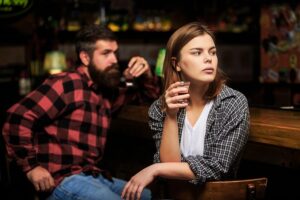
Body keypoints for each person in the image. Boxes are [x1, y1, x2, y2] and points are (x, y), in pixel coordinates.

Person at [2, 24, 158, 200]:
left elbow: (148, 99)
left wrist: (145, 74)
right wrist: (31, 168)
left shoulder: (105, 91)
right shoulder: (68, 83)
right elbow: (17, 117)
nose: (114, 59)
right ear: (85, 57)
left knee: (146, 195)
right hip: (62, 179)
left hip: (92, 175)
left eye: (115, 52)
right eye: (106, 53)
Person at [121, 21, 250, 200]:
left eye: (212, 52)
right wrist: (171, 116)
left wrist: (155, 168)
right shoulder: (159, 109)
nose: (208, 58)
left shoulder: (232, 103)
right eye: (197, 52)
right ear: (177, 64)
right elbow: (170, 168)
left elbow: (216, 166)